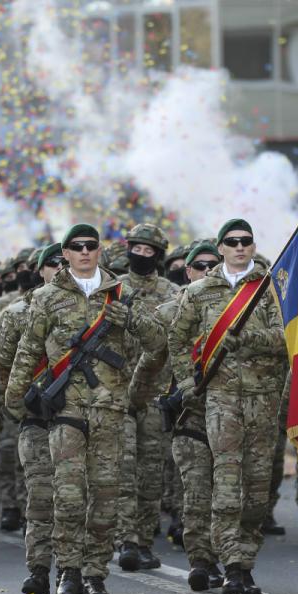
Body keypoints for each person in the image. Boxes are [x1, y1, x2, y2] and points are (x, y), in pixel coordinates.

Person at [4, 223, 162, 594]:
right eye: (77, 247)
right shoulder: (48, 297)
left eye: (91, 245)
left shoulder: (121, 293)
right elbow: (28, 350)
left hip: (110, 410)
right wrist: (15, 400)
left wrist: (131, 319)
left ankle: (95, 574)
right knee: (69, 495)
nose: (85, 252)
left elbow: (158, 341)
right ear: (66, 254)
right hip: (66, 410)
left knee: (105, 497)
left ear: (99, 250)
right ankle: (69, 570)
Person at [167, 218, 287, 594]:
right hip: (220, 401)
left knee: (257, 489)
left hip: (263, 400)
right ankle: (233, 564)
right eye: (232, 242)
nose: (239, 247)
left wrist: (249, 338)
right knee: (227, 481)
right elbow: (177, 339)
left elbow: (287, 338)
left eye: (245, 241)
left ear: (253, 246)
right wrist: (187, 383)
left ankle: (245, 559)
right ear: (220, 248)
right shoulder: (199, 292)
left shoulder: (270, 288)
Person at [131, 241, 225, 591]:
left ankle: (233, 560)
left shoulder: (238, 311)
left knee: (231, 494)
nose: (206, 271)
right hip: (189, 413)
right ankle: (202, 560)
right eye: (199, 266)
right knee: (198, 492)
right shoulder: (171, 311)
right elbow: (150, 357)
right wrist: (136, 398)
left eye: (213, 265)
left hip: (231, 412)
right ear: (188, 272)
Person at [0, 242, 62, 594]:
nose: (60, 270)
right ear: (40, 271)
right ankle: (39, 569)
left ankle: (74, 570)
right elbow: (0, 366)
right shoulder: (17, 313)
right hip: (36, 416)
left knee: (76, 499)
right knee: (41, 495)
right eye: (53, 264)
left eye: (65, 263)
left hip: (81, 417)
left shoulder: (94, 309)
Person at [116, 223, 179, 572]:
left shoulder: (172, 293)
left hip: (155, 393)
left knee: (152, 471)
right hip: (118, 392)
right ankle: (126, 538)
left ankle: (143, 539)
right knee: (124, 468)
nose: (141, 255)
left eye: (148, 250)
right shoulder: (113, 289)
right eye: (136, 249)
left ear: (158, 255)